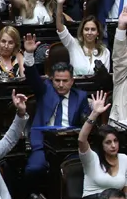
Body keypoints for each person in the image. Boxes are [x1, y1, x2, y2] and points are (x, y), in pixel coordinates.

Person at [22, 34, 94, 180]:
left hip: (69, 145)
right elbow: (32, 76)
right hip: (43, 142)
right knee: (34, 169)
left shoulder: (80, 97)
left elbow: (86, 125)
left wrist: (94, 112)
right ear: (51, 80)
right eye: (57, 80)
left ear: (72, 81)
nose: (61, 85)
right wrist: (29, 53)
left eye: (65, 81)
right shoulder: (44, 90)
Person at [74, 107, 127, 199]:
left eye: (115, 141)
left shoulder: (125, 159)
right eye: (108, 142)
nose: (113, 145)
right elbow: (81, 139)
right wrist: (94, 114)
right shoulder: (91, 158)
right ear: (101, 144)